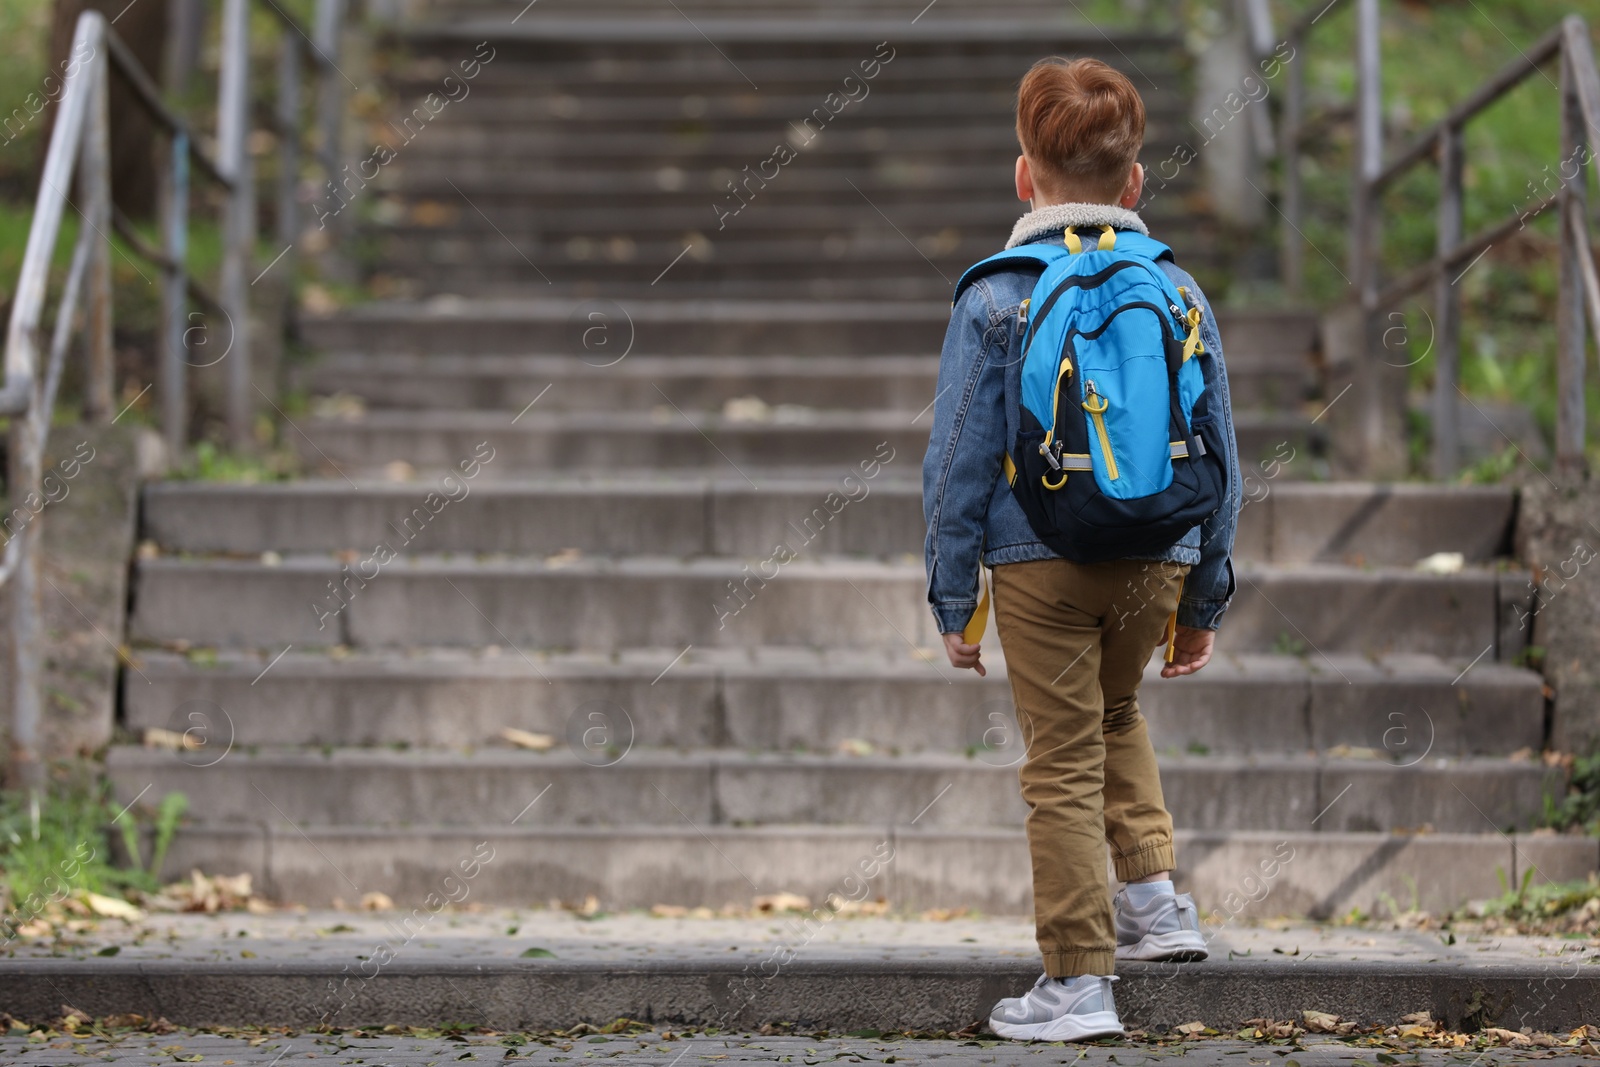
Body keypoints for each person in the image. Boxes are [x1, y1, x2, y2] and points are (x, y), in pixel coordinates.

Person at [920, 56, 1241, 1043]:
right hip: (1157, 553)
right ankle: (1153, 906)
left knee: (1058, 760)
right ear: (1134, 182)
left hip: (1037, 558)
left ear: (1025, 178)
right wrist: (1204, 594)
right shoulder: (1177, 290)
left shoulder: (994, 299)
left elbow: (955, 464)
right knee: (1115, 707)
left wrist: (950, 594)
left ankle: (1075, 979)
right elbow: (1223, 452)